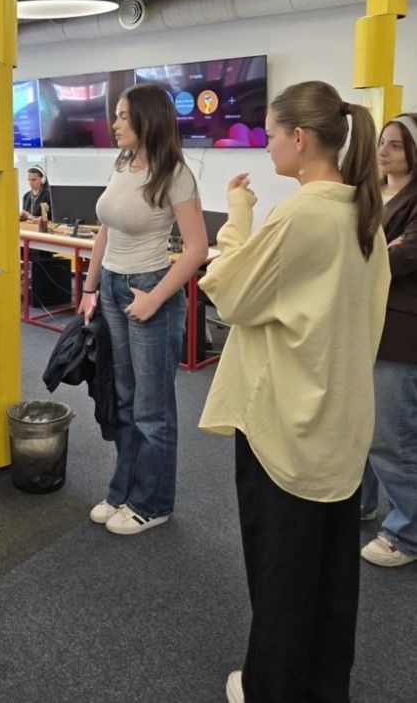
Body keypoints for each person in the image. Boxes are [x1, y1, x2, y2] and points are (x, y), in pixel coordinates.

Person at [197, 81, 390, 703]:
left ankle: (270, 686)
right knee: (330, 571)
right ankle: (323, 685)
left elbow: (229, 292)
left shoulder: (303, 213)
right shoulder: (361, 209)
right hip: (338, 420)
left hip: (286, 421)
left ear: (300, 138)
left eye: (272, 134)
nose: (268, 145)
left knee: (280, 571)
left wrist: (238, 214)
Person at [78, 83, 207, 536]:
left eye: (122, 116)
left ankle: (153, 503)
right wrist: (90, 287)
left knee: (153, 408)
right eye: (115, 115)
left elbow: (196, 249)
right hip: (114, 287)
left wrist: (155, 298)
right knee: (125, 399)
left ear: (147, 120)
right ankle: (123, 490)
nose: (114, 124)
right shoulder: (123, 163)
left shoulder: (175, 174)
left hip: (150, 287)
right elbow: (105, 231)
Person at [360, 112, 417, 568]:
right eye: (382, 141)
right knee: (360, 427)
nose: (383, 150)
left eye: (396, 144)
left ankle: (407, 533)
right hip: (364, 324)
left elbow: (400, 260)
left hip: (399, 331)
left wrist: (374, 250)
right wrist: (384, 245)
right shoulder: (371, 194)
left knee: (391, 438)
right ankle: (360, 503)